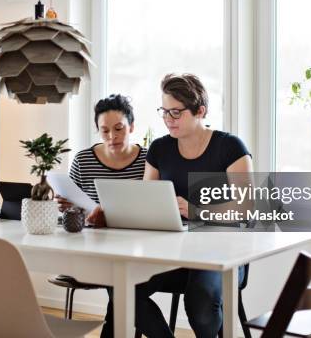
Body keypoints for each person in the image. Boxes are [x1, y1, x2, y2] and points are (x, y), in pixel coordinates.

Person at [139, 73, 253, 338]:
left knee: (200, 305)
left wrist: (196, 212)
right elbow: (146, 201)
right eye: (164, 112)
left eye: (176, 113)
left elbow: (247, 207)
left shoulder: (230, 147)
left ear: (200, 111)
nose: (168, 119)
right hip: (172, 253)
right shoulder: (159, 149)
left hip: (222, 255)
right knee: (121, 287)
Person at [55, 94, 146, 338]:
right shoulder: (84, 160)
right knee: (120, 286)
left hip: (137, 248)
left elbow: (152, 208)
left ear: (132, 127)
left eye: (119, 129)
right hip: (93, 248)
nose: (112, 137)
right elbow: (69, 212)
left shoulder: (148, 161)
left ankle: (111, 330)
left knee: (123, 283)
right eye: (104, 131)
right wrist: (66, 207)